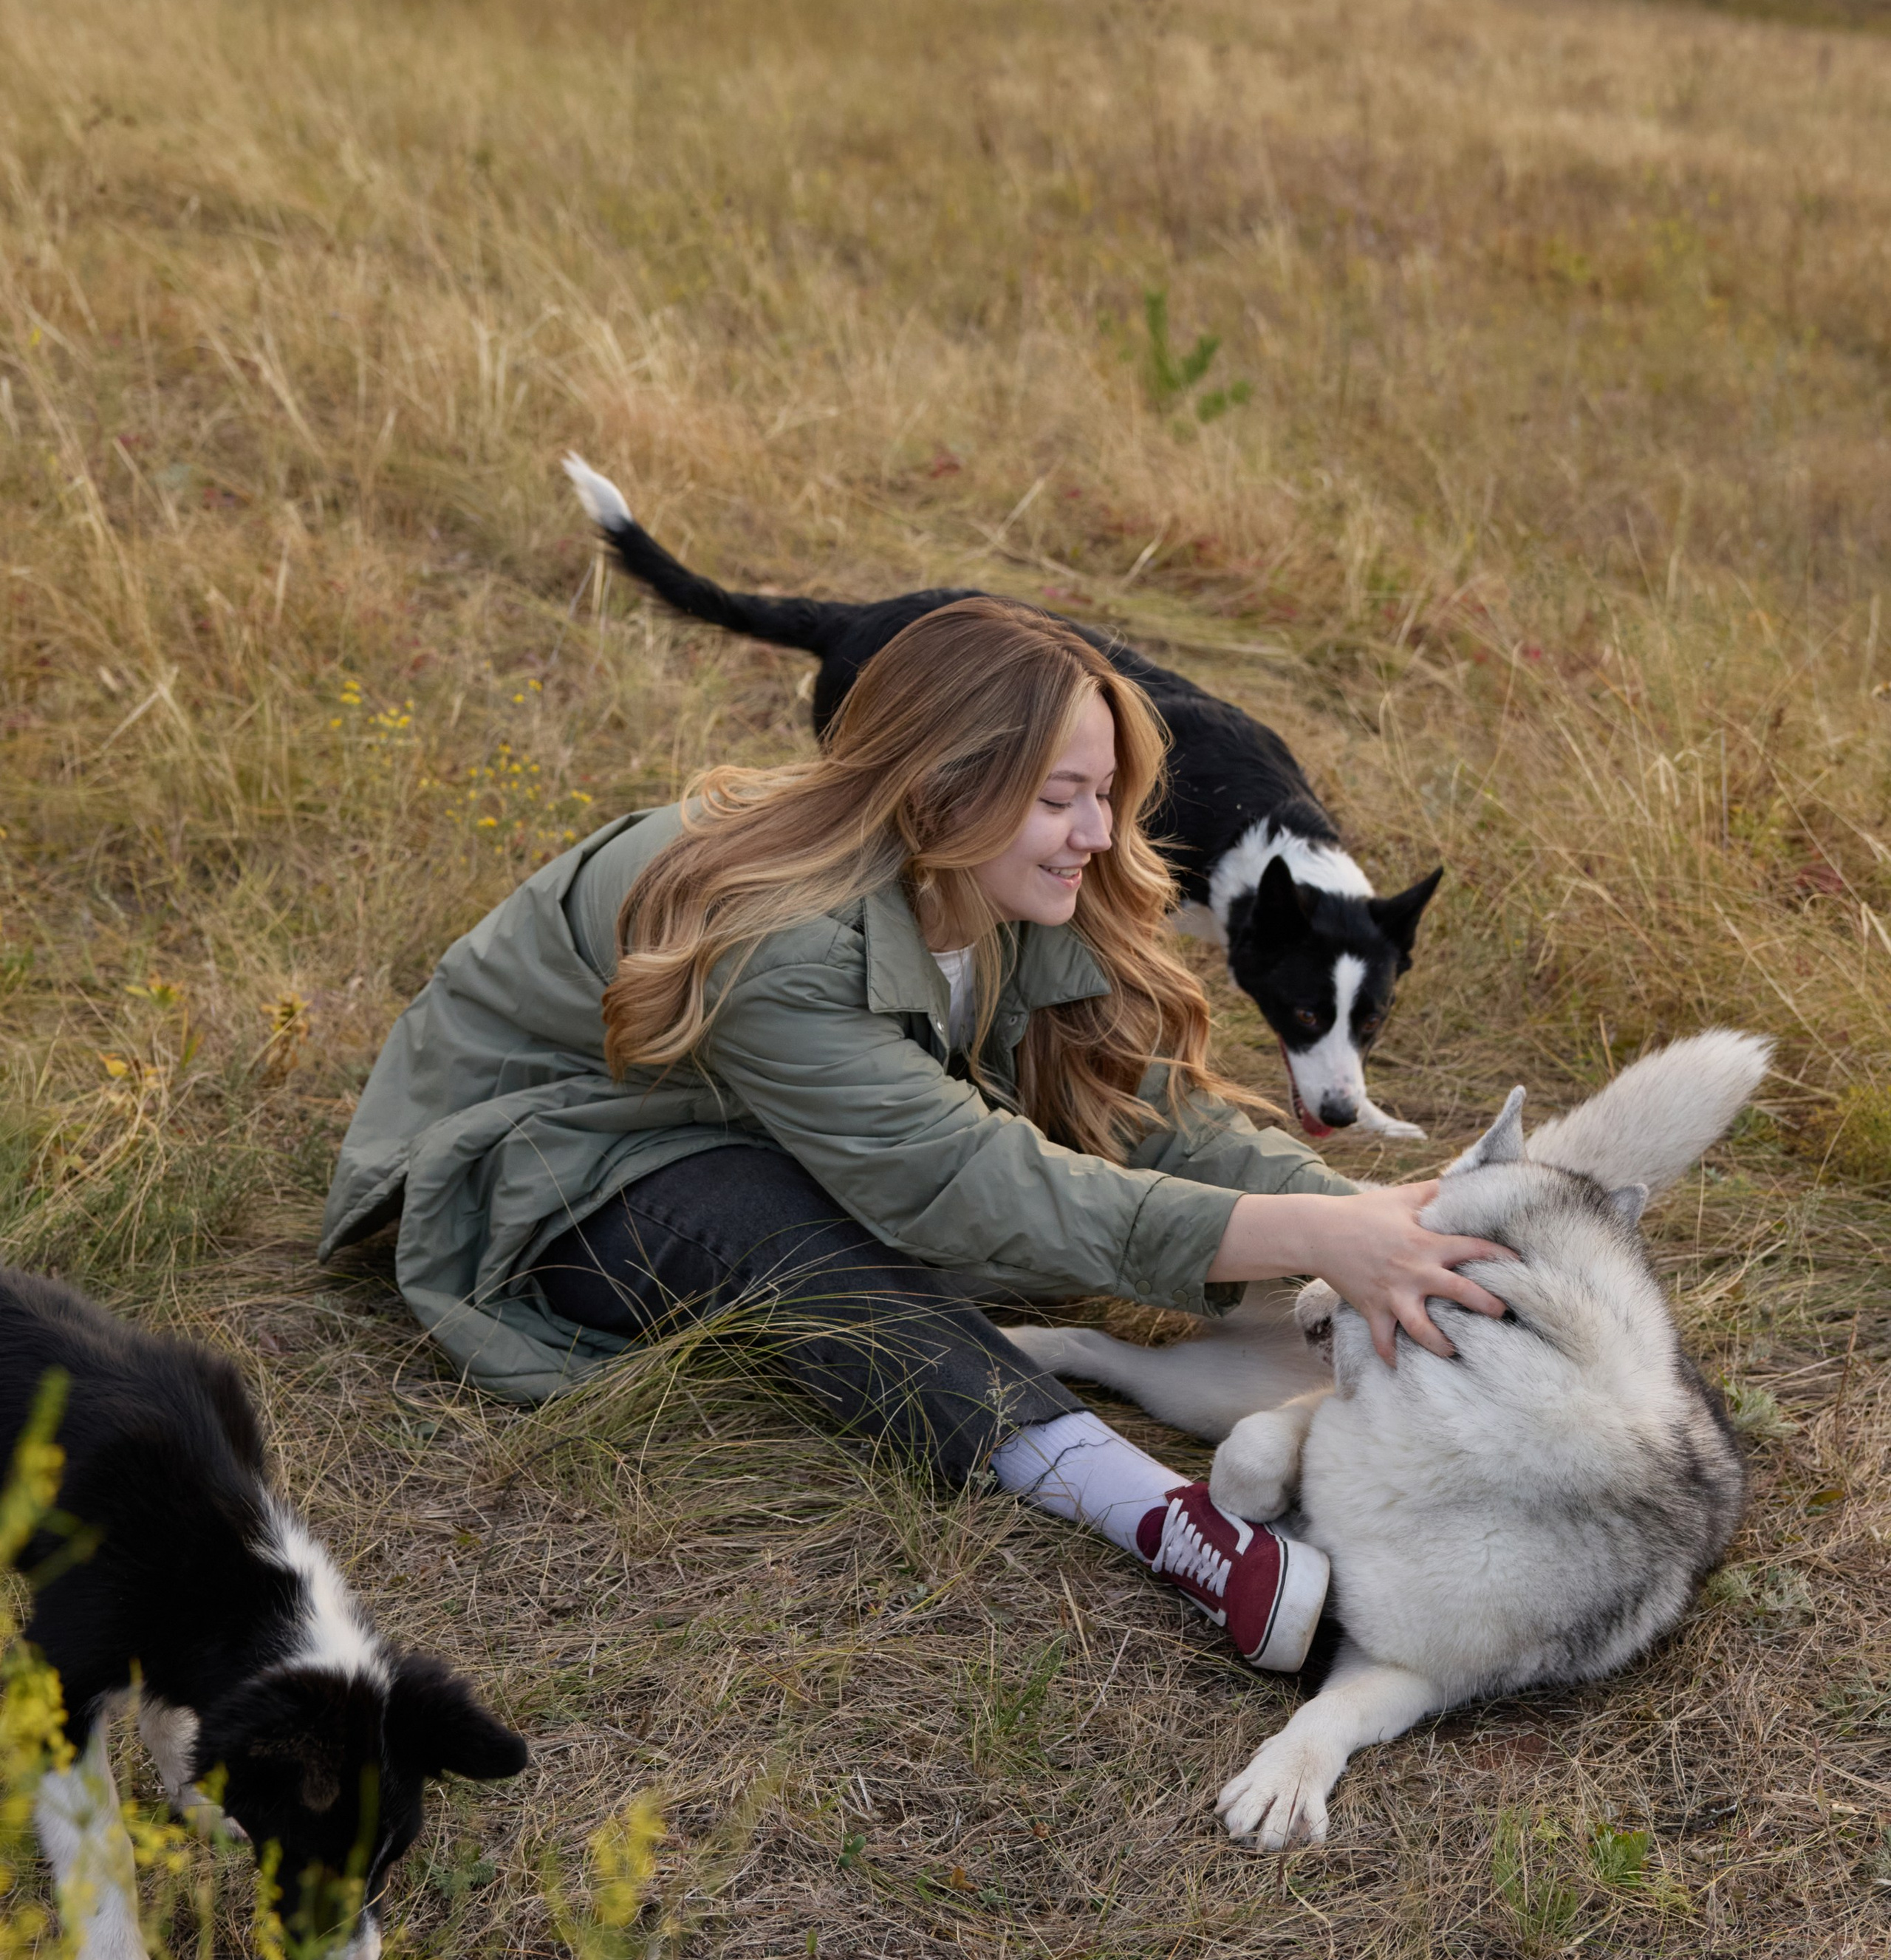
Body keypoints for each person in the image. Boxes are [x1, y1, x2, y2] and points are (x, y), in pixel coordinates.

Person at [321, 598, 1509, 1673]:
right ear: (939, 787)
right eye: (1059, 799)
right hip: (550, 1156)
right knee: (813, 1249)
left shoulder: (1019, 879)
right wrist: (1306, 1233)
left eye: (1106, 793)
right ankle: (1159, 1517)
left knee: (971, 1203)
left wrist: (1347, 1228)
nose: (1097, 831)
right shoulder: (776, 931)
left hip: (747, 1111)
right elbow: (952, 1180)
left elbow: (1151, 1106)